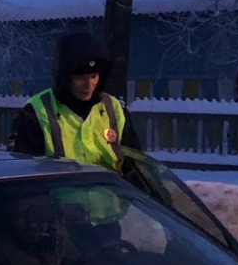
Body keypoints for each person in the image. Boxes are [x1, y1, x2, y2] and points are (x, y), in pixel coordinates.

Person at [10, 31, 142, 171]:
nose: (88, 84)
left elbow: (135, 167)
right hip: (58, 191)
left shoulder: (114, 109)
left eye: (94, 76)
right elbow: (24, 172)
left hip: (110, 191)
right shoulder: (36, 112)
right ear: (65, 78)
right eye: (81, 77)